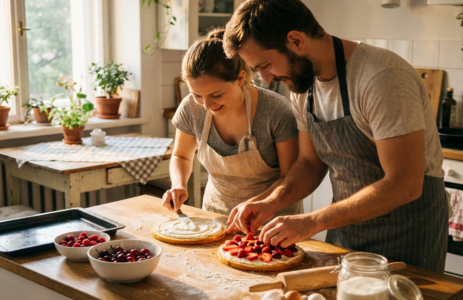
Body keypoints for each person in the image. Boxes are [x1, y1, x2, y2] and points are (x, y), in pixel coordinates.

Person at [223, 0, 449, 272]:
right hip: (345, 228)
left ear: (296, 41)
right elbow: (309, 163)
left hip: (407, 233)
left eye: (266, 65)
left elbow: (405, 184)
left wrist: (313, 221)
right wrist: (271, 202)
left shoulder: (381, 77)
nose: (267, 78)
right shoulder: (302, 87)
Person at [162, 29, 303, 220]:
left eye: (216, 95)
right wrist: (178, 185)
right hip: (216, 215)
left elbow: (289, 177)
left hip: (272, 220)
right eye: (197, 95)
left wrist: (255, 204)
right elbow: (181, 156)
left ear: (240, 78)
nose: (207, 105)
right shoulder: (190, 108)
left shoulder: (276, 111)